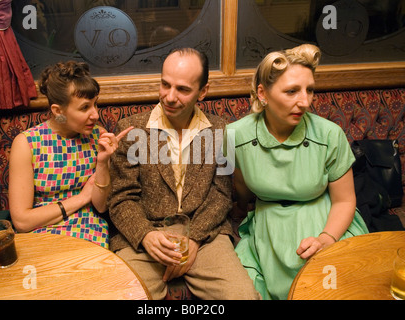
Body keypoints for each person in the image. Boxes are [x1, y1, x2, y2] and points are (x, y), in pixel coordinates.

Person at [108, 48, 261, 300]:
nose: (169, 97)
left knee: (243, 296)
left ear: (203, 92)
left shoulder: (221, 130)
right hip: (145, 236)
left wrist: (194, 239)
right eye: (165, 85)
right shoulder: (132, 129)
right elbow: (121, 197)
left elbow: (221, 195)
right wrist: (145, 235)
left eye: (182, 89)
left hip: (205, 237)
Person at [225, 44, 369, 299]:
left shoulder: (328, 134)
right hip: (269, 227)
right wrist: (239, 210)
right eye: (292, 91)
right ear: (263, 93)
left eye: (309, 90)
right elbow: (242, 190)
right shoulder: (236, 135)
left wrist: (326, 239)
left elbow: (345, 200)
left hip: (325, 222)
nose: (304, 102)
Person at [9, 61, 132, 249]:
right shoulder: (27, 144)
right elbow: (22, 222)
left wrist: (103, 162)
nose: (95, 115)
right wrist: (81, 199)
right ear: (58, 111)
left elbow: (100, 206)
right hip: (40, 233)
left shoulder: (97, 136)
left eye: (95, 104)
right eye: (84, 108)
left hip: (88, 230)